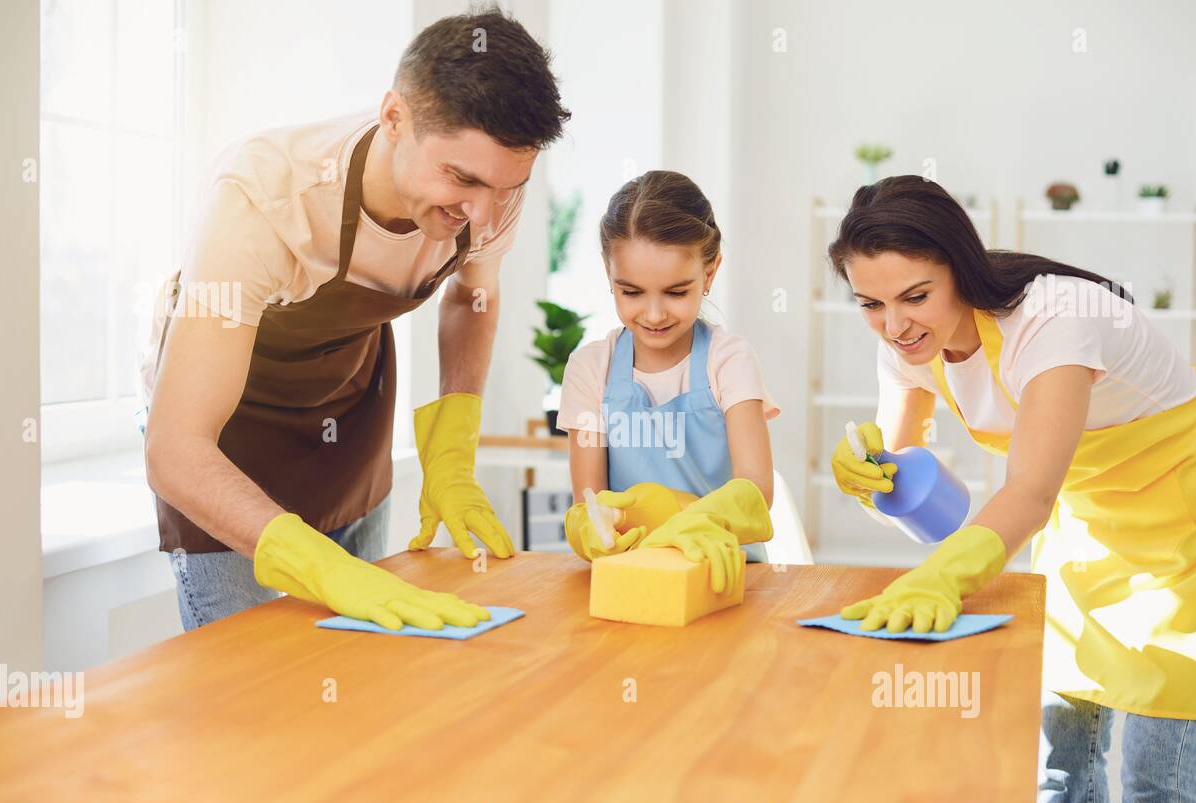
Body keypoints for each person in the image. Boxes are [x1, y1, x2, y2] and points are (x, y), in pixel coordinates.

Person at [828, 175, 1196, 803]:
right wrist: (871, 475)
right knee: (1061, 760)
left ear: (960, 267)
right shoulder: (905, 347)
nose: (894, 325)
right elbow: (904, 464)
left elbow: (1028, 493)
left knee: (1153, 777)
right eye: (870, 304)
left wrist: (944, 576)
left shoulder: (1053, 320)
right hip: (1088, 522)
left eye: (915, 297)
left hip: (1191, 526)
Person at [139, 7, 569, 632]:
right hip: (224, 432)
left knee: (364, 664)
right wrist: (321, 569)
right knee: (245, 686)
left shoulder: (491, 191)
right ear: (394, 117)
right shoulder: (263, 196)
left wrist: (452, 448)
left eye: (507, 188)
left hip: (350, 411)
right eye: (461, 179)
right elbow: (175, 448)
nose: (484, 217)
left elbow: (472, 297)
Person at [557, 171, 780, 593]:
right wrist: (588, 528)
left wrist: (693, 520)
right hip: (633, 577)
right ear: (608, 272)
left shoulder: (728, 361)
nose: (654, 314)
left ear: (710, 272)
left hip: (724, 572)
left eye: (676, 293)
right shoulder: (591, 368)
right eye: (632, 292)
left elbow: (756, 490)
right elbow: (589, 501)